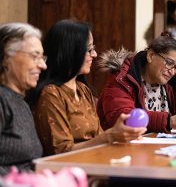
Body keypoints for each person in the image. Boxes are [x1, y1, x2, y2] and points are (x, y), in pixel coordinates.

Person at [28, 19, 146, 156]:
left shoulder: (83, 90)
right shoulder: (51, 94)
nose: (94, 55)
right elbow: (60, 151)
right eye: (89, 50)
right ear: (70, 52)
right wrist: (110, 136)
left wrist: (122, 136)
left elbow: (99, 137)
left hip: (94, 161)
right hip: (68, 172)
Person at [97, 32, 176, 133]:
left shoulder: (173, 85)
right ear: (151, 56)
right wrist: (169, 121)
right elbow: (124, 118)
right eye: (169, 63)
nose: (172, 72)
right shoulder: (122, 79)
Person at [0, 23, 47, 175]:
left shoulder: (21, 102)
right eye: (35, 56)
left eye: (42, 57)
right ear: (7, 57)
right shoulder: (2, 101)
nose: (43, 65)